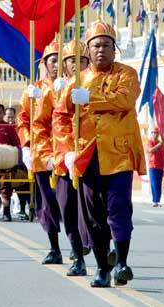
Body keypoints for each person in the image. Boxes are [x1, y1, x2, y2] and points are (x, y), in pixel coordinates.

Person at [63, 20, 146, 288]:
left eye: (106, 45)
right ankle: (101, 267)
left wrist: (89, 99)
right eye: (96, 46)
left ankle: (121, 262)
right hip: (88, 155)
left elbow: (124, 100)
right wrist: (65, 150)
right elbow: (61, 117)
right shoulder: (76, 81)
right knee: (94, 216)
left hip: (119, 153)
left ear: (114, 48)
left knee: (119, 208)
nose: (101, 50)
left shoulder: (127, 74)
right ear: (88, 50)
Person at [20, 41, 64, 262]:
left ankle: (81, 246)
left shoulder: (73, 86)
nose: (56, 64)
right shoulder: (34, 90)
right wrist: (26, 145)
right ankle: (54, 248)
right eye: (52, 60)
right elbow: (24, 120)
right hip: (42, 153)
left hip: (68, 152)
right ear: (45, 63)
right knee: (47, 203)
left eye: (60, 59)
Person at [52, 39, 90, 277]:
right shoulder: (57, 89)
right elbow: (54, 122)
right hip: (64, 159)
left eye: (81, 60)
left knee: (93, 210)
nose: (76, 65)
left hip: (92, 157)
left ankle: (100, 249)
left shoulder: (97, 83)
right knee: (67, 209)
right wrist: (65, 151)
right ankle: (77, 253)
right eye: (71, 61)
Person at [147, 128, 164, 207]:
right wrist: (159, 145)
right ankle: (154, 200)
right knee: (154, 184)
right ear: (151, 133)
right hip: (152, 166)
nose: (155, 134)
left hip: (160, 167)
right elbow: (151, 150)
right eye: (154, 133)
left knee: (159, 184)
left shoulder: (160, 143)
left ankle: (158, 200)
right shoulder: (150, 142)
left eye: (157, 133)